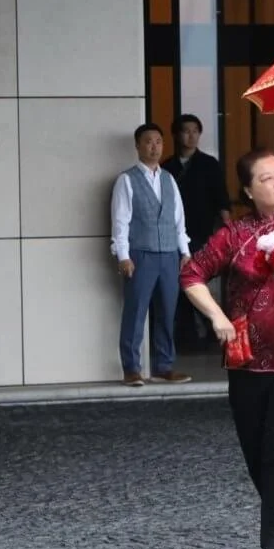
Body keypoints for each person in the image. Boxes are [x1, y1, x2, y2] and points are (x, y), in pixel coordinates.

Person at [180, 148, 274, 549]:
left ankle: (271, 545)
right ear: (248, 190)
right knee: (255, 451)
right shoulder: (235, 234)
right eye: (266, 177)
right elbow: (191, 275)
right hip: (247, 359)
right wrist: (217, 317)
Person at [111, 123, 193, 386]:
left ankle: (163, 366)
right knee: (136, 312)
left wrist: (185, 252)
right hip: (140, 255)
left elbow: (179, 220)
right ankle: (131, 369)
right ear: (137, 146)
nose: (154, 147)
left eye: (158, 141)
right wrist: (123, 255)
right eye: (148, 141)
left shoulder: (169, 179)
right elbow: (120, 221)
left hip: (169, 255)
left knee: (167, 312)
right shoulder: (127, 180)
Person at [163, 114, 232, 352]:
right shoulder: (167, 167)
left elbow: (221, 197)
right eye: (186, 131)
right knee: (180, 282)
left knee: (192, 279)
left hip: (202, 231)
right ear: (176, 134)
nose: (191, 136)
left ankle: (204, 328)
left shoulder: (209, 164)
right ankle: (192, 333)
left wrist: (227, 227)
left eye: (195, 131)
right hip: (173, 233)